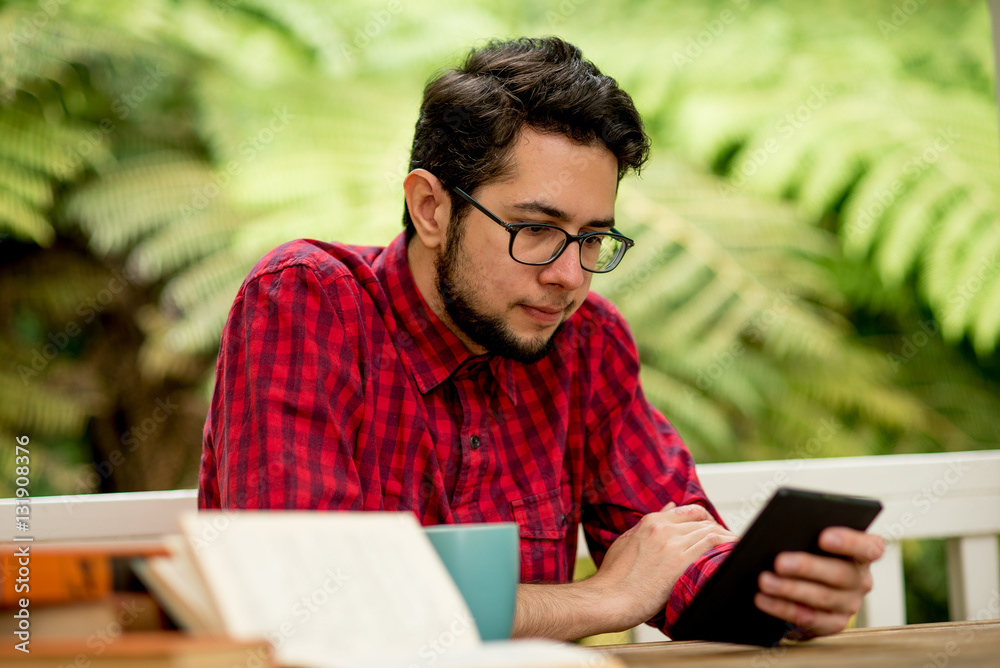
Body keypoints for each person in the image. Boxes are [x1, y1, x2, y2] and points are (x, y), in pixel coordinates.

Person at [198, 36, 884, 641]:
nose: (568, 276)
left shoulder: (586, 344)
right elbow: (312, 597)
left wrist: (781, 594)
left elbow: (674, 552)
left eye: (592, 239)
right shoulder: (306, 301)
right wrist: (602, 598)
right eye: (536, 230)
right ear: (431, 208)